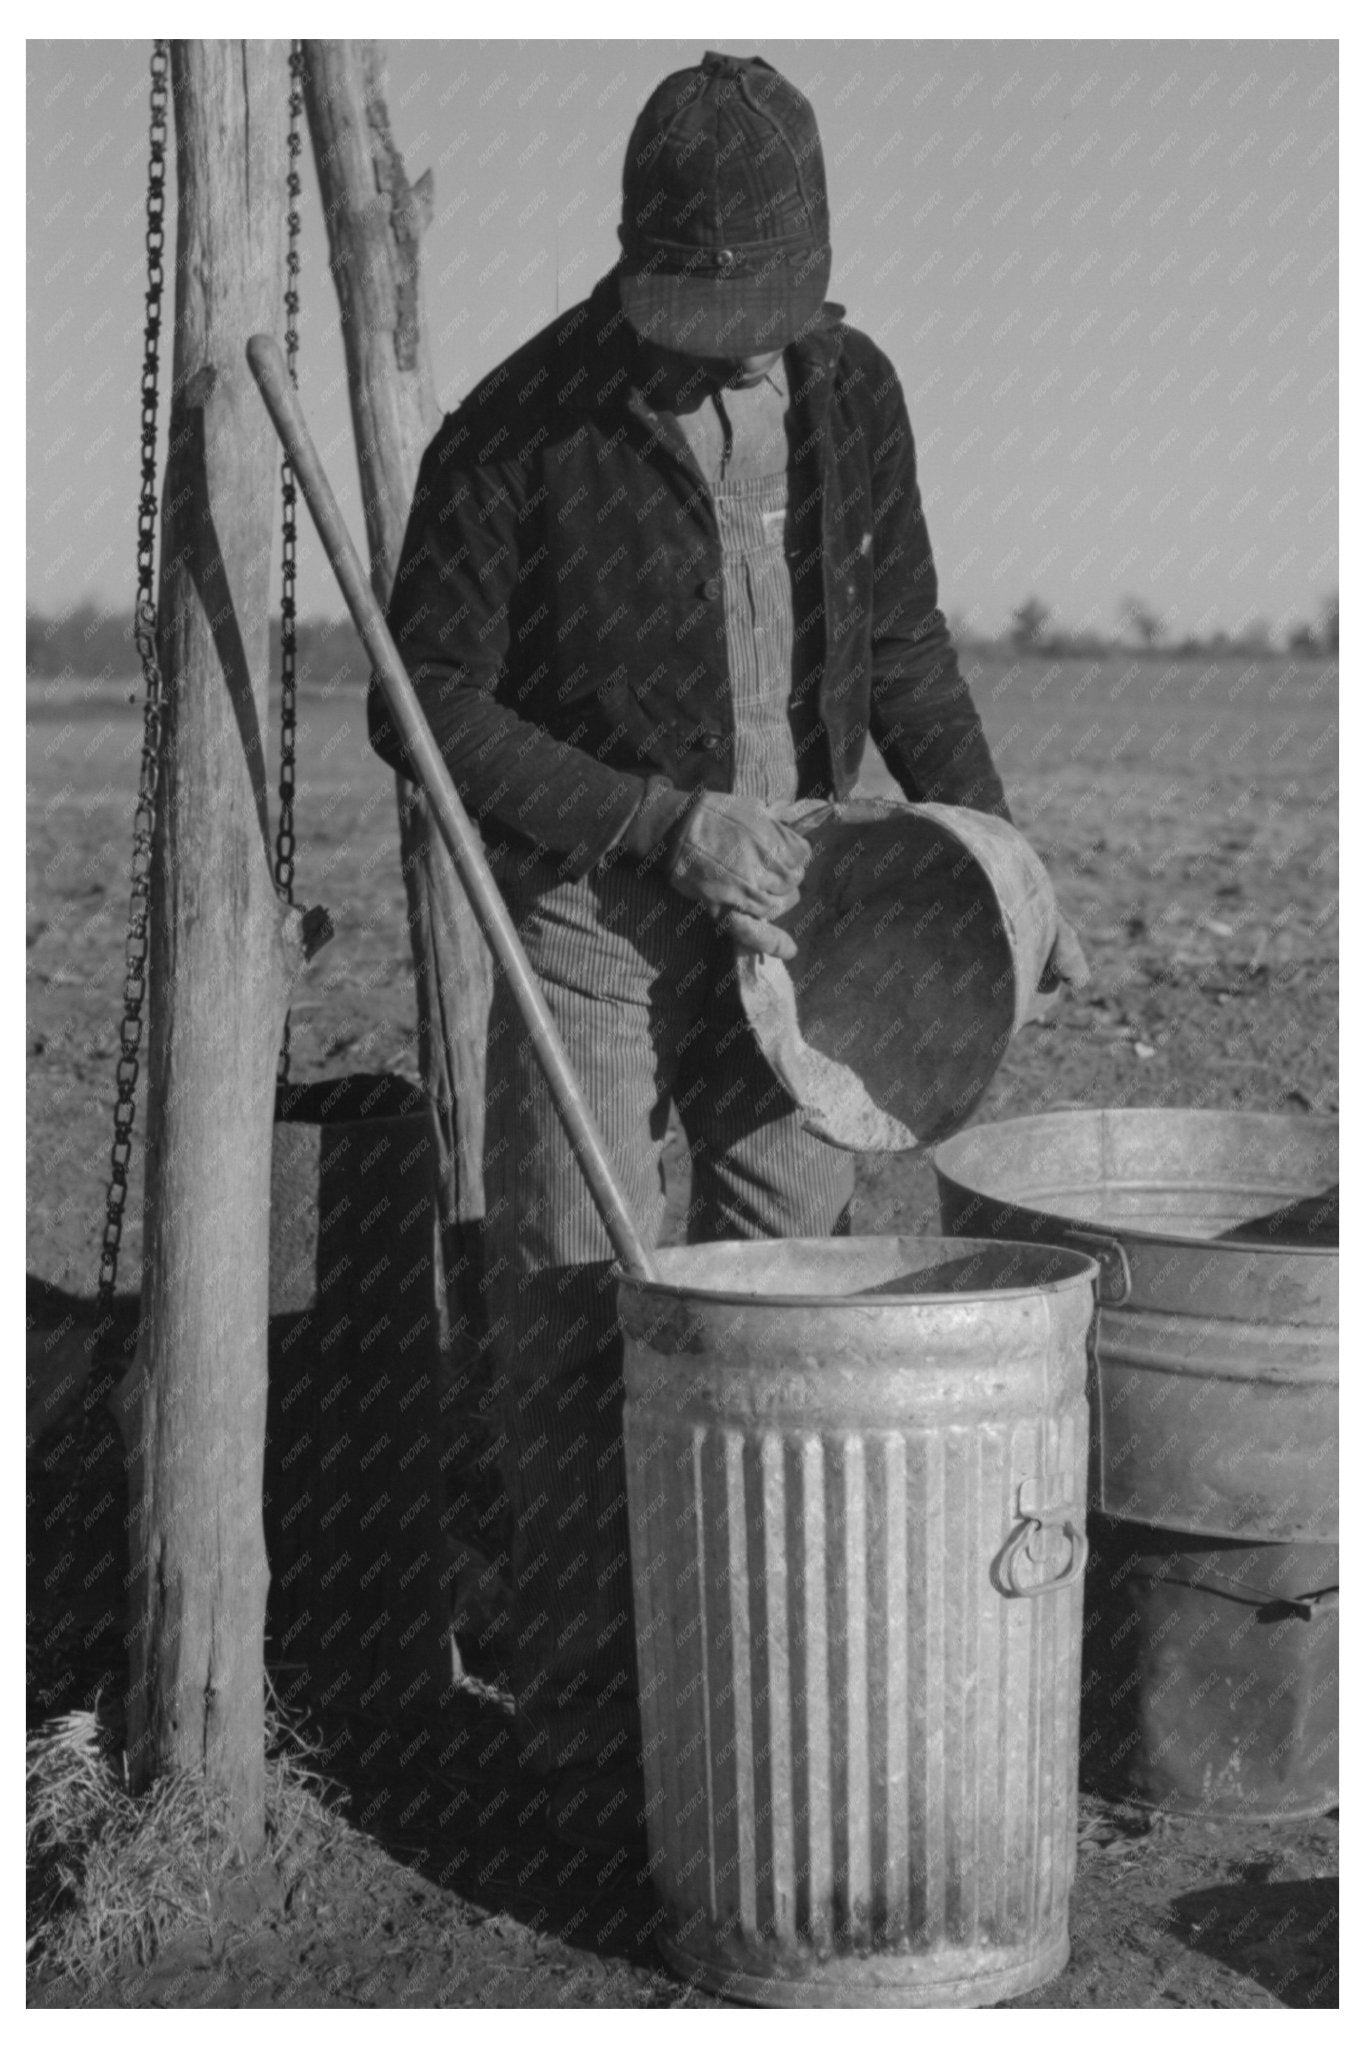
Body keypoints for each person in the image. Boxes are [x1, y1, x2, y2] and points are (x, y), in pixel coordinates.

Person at [369, 50, 1085, 1856]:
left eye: (761, 314)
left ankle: (779, 1678)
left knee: (797, 1299)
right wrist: (660, 822)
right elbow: (420, 707)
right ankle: (584, 1721)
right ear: (632, 273)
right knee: (562, 1299)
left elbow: (904, 641)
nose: (736, 349)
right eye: (701, 317)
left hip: (809, 917)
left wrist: (994, 850)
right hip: (596, 913)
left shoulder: (854, 394)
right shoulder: (515, 432)